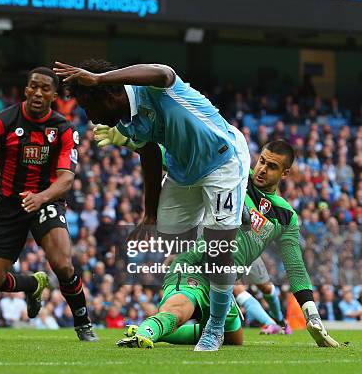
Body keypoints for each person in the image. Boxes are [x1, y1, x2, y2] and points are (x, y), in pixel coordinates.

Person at [55, 59, 250, 351]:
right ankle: (229, 225)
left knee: (218, 252)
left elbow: (164, 71)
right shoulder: (127, 121)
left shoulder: (152, 88)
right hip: (183, 172)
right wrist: (149, 213)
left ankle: (216, 328)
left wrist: (98, 78)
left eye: (89, 107)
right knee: (169, 233)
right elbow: (149, 157)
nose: (91, 117)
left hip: (221, 161)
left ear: (108, 95)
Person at [113, 140, 339, 348]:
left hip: (224, 284)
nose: (262, 169)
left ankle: (155, 330)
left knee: (234, 339)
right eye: (261, 161)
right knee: (179, 309)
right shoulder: (234, 173)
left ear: (285, 173)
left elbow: (296, 269)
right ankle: (147, 332)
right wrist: (132, 141)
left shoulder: (286, 216)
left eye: (272, 166)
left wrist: (312, 316)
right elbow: (184, 160)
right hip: (196, 265)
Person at [0, 67, 98, 341]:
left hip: (46, 202)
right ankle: (32, 283)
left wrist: (41, 197)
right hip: (8, 208)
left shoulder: (63, 129)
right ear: (26, 90)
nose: (38, 93)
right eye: (33, 87)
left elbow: (66, 179)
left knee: (63, 264)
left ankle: (83, 323)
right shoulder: (1, 122)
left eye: (45, 89)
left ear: (54, 95)